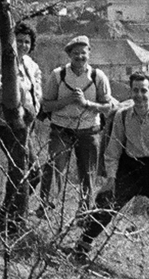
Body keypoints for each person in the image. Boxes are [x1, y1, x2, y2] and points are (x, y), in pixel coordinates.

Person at [73, 70, 149, 279]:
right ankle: (82, 246)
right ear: (131, 92)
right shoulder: (122, 116)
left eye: (144, 90)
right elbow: (113, 151)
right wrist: (111, 178)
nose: (139, 95)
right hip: (131, 167)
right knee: (108, 202)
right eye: (135, 90)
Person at [37, 35, 117, 216]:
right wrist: (66, 101)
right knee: (55, 168)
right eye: (75, 53)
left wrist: (85, 104)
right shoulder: (58, 75)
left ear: (89, 53)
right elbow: (46, 105)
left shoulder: (98, 76)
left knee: (88, 173)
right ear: (69, 55)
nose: (80, 57)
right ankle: (46, 208)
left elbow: (107, 107)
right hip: (61, 129)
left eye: (83, 53)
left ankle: (85, 212)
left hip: (89, 130)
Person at [0, 22, 43, 231]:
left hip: (27, 124)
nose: (22, 45)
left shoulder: (32, 66)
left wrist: (33, 113)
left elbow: (37, 95)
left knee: (26, 171)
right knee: (24, 169)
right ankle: (10, 217)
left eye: (27, 42)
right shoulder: (0, 64)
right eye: (19, 41)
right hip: (7, 124)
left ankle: (9, 213)